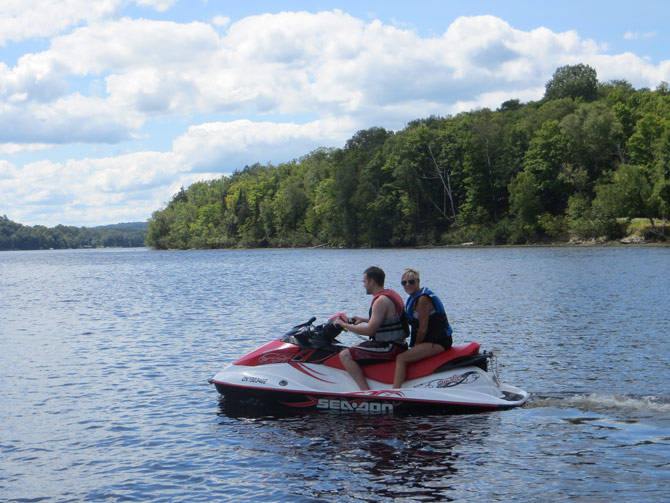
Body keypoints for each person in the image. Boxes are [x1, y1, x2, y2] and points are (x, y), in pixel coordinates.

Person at [334, 266, 408, 390]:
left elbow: (370, 331)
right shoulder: (391, 294)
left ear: (372, 282)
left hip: (390, 347)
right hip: (398, 344)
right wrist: (363, 319)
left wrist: (345, 325)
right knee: (356, 346)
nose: (364, 285)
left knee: (345, 355)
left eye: (364, 281)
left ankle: (365, 393)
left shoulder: (380, 301)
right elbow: (388, 320)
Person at [392, 268, 453, 389]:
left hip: (439, 341)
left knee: (401, 358)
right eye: (404, 283)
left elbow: (423, 329)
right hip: (430, 340)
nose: (407, 285)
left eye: (411, 282)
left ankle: (395, 392)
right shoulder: (413, 299)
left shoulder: (423, 299)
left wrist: (415, 346)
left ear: (418, 282)